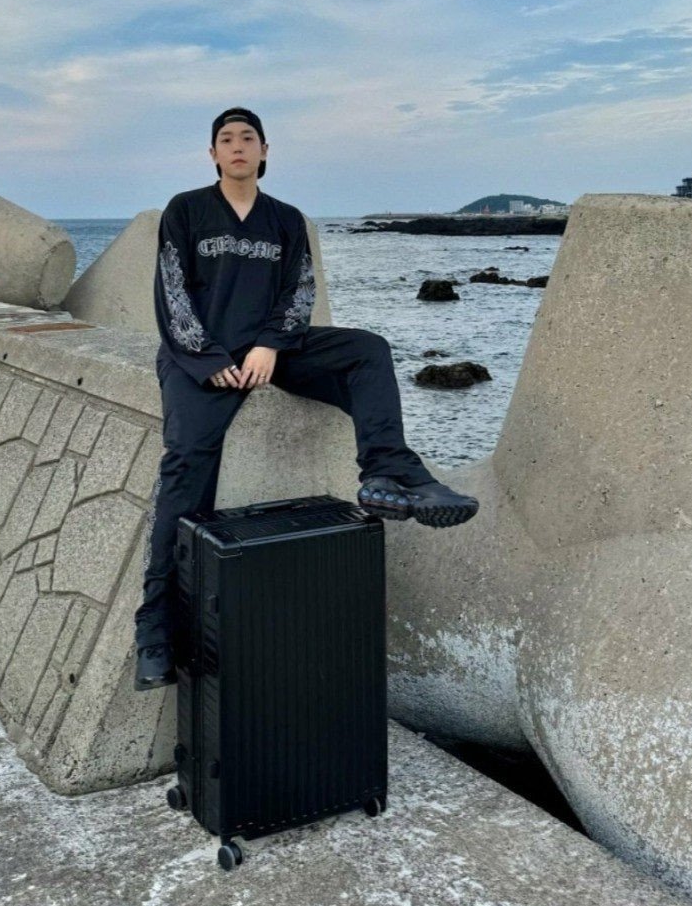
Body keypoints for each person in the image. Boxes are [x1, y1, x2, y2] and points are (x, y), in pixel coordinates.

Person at [134, 107, 478, 690]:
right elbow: (172, 294)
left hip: (272, 350)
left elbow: (299, 293)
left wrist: (270, 345)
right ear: (213, 154)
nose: (237, 146)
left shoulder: (285, 219)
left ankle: (388, 473)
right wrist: (211, 360)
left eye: (248, 138)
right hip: (200, 359)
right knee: (185, 471)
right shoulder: (186, 210)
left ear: (264, 151)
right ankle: (156, 632)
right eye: (226, 139)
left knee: (367, 351)